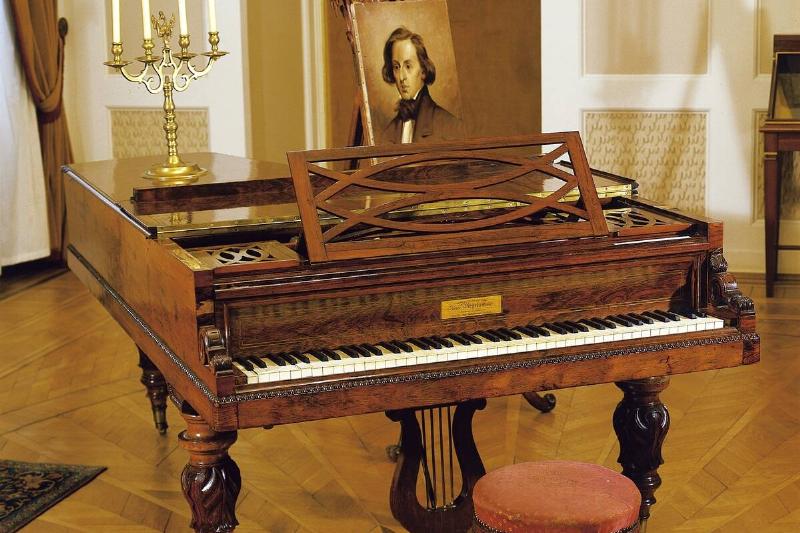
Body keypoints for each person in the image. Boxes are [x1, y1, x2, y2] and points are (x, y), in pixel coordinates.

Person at [378, 26, 465, 144]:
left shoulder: (450, 126)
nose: (401, 77)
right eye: (396, 67)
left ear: (423, 70)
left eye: (408, 66)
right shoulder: (387, 133)